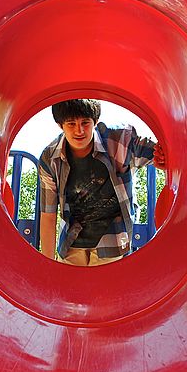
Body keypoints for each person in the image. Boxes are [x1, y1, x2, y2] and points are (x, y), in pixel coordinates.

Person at [37, 99, 166, 266]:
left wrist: (162, 158)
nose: (79, 130)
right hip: (72, 241)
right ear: (60, 125)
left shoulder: (120, 139)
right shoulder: (51, 158)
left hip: (112, 238)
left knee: (105, 288)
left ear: (95, 121)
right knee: (70, 288)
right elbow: (48, 215)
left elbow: (162, 153)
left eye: (85, 122)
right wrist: (48, 265)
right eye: (71, 124)